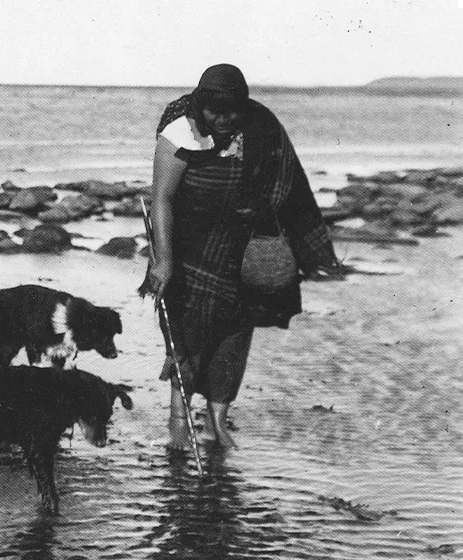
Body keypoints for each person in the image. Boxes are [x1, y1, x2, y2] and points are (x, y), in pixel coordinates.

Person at [142, 64, 341, 449]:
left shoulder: (261, 126)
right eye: (214, 111)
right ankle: (178, 422)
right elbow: (162, 199)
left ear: (243, 105)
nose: (222, 119)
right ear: (200, 105)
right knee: (188, 335)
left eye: (231, 111)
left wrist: (268, 216)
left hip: (241, 247)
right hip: (190, 248)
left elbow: (287, 182)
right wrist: (163, 260)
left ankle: (218, 420)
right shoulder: (179, 129)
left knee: (235, 334)